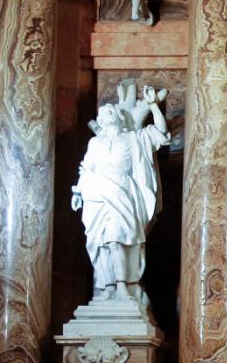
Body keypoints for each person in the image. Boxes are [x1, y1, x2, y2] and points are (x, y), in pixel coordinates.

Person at [71, 84, 169, 306]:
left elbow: (161, 133)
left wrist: (153, 105)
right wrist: (77, 192)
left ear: (117, 117)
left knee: (116, 239)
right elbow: (86, 168)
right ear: (101, 120)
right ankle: (107, 288)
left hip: (121, 193)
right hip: (95, 194)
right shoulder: (95, 142)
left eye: (110, 110)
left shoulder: (133, 139)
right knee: (101, 243)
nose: (107, 112)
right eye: (103, 111)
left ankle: (123, 286)